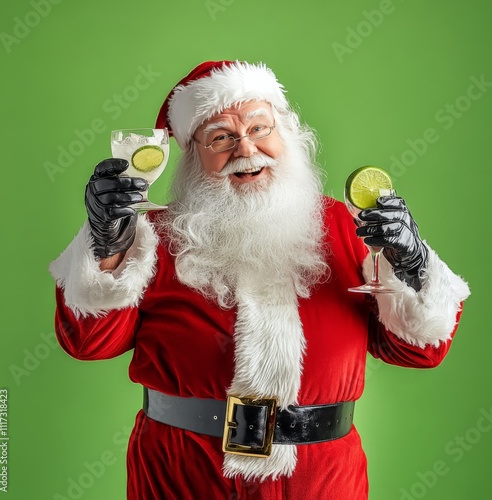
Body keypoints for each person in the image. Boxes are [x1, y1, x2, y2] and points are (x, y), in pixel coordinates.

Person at [49, 60, 470, 499]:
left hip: (323, 480)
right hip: (183, 474)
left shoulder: (347, 226)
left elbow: (420, 351)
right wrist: (106, 248)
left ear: (285, 134)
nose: (246, 149)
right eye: (221, 137)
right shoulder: (152, 235)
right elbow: (88, 344)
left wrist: (413, 262)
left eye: (259, 128)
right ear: (194, 155)